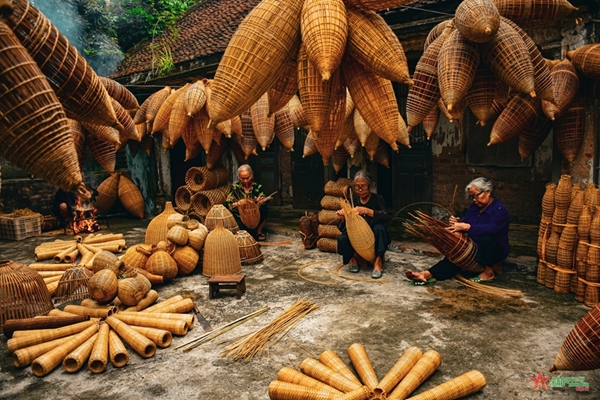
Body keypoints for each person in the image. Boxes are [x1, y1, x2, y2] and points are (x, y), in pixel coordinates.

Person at [405, 177, 510, 285]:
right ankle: (426, 274)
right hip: (475, 247)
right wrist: (457, 222)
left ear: (488, 192)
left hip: (495, 250)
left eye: (476, 195)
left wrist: (468, 227)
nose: (474, 199)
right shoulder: (474, 207)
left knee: (485, 238)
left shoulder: (499, 210)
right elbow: (466, 222)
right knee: (456, 258)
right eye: (471, 197)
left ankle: (488, 272)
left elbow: (492, 229)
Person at [336, 170, 391, 279]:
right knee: (342, 238)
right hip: (357, 237)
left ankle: (378, 261)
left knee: (380, 228)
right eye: (357, 187)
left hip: (372, 236)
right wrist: (343, 218)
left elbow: (385, 216)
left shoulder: (377, 199)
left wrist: (367, 211)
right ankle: (353, 259)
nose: (360, 190)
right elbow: (341, 228)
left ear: (370, 186)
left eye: (363, 186)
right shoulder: (353, 201)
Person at [225, 164, 269, 241]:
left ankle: (259, 231)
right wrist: (236, 204)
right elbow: (228, 202)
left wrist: (261, 201)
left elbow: (263, 197)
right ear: (239, 178)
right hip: (241, 216)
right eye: (242, 178)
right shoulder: (235, 188)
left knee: (264, 208)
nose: (245, 181)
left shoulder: (257, 187)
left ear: (251, 175)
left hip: (255, 216)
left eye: (247, 178)